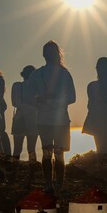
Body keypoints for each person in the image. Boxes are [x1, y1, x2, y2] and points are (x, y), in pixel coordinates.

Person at [28, 41, 76, 194]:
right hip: (60, 119)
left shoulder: (37, 74)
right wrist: (57, 101)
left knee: (47, 152)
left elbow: (29, 98)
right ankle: (59, 184)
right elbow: (72, 97)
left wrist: (42, 101)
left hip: (44, 119)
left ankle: (49, 184)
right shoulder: (64, 73)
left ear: (44, 55)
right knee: (59, 153)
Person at [11, 65, 39, 180]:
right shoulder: (38, 88)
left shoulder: (17, 86)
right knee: (31, 148)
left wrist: (25, 108)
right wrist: (31, 109)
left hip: (19, 118)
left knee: (17, 148)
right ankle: (32, 173)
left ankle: (14, 172)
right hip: (33, 119)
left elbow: (14, 102)